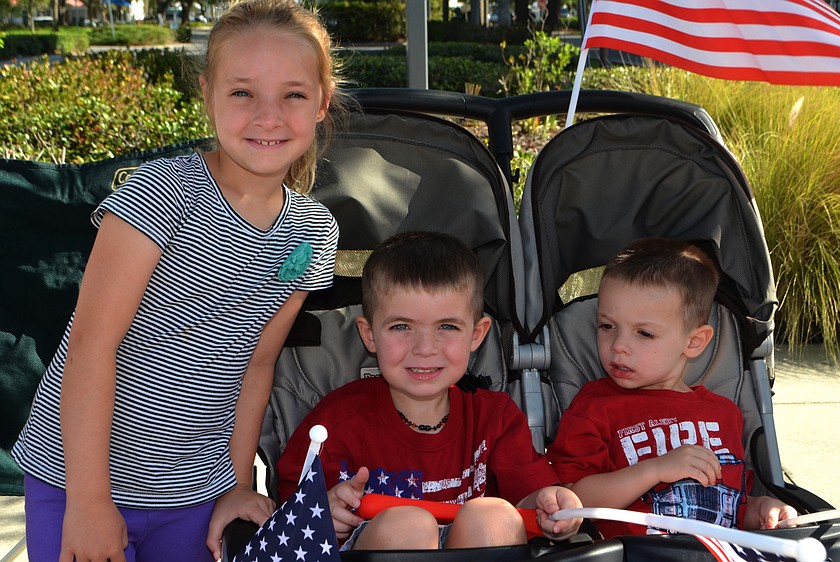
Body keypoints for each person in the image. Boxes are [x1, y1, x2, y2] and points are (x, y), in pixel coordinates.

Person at [11, 0, 346, 560]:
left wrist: (238, 486)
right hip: (78, 483)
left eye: (292, 94)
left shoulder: (312, 231)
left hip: (194, 494)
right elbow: (93, 346)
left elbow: (256, 363)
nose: (269, 116)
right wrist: (91, 504)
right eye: (243, 93)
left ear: (321, 104)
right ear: (208, 94)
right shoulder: (163, 194)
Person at [276, 231, 583, 550]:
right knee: (408, 525)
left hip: (471, 546)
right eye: (401, 327)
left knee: (496, 517)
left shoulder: (494, 417)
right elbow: (290, 515)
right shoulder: (333, 425)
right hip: (377, 546)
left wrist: (552, 505)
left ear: (476, 335)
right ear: (369, 335)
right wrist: (327, 512)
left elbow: (528, 496)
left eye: (446, 327)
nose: (424, 348)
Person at [545, 238, 797, 538]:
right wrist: (655, 470)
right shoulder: (593, 408)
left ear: (694, 342)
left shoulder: (724, 414)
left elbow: (732, 502)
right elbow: (575, 499)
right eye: (607, 326)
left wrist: (762, 509)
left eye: (644, 333)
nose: (619, 346)